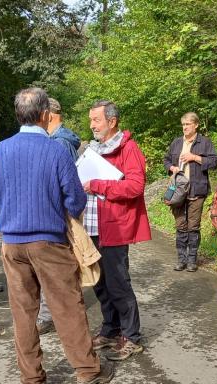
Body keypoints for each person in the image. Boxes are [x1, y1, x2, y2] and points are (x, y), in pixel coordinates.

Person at [0, 87, 113, 384]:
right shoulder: (56, 150)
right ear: (45, 115)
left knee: (23, 313)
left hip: (12, 244)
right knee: (67, 306)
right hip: (49, 240)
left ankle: (32, 382)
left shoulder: (0, 150)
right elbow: (75, 198)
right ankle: (87, 370)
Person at [83, 100, 152, 361]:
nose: (92, 126)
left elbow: (135, 186)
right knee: (100, 284)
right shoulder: (93, 148)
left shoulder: (129, 148)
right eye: (91, 120)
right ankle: (110, 329)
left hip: (114, 228)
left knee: (118, 282)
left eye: (96, 120)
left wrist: (98, 185)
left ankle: (131, 336)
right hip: (92, 226)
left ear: (112, 121)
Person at [35, 98, 83, 335]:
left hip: (58, 214)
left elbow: (67, 186)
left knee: (55, 267)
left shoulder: (59, 144)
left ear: (48, 115)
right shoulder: (63, 140)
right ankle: (53, 312)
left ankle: (51, 315)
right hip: (61, 212)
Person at [163, 112, 217, 272]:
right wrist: (171, 167)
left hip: (197, 189)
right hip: (177, 190)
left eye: (188, 124)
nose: (185, 127)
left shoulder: (205, 143)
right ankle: (181, 259)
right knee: (180, 225)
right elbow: (166, 160)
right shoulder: (176, 142)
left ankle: (192, 260)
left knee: (193, 227)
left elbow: (214, 162)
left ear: (196, 125)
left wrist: (195, 157)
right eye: (183, 124)